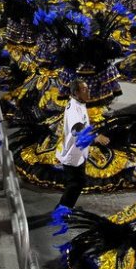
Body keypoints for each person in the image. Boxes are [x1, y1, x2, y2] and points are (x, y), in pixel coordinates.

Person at [56, 79, 108, 210]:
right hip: (71, 155)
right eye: (84, 89)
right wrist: (95, 136)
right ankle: (61, 212)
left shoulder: (80, 103)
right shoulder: (74, 108)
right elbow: (77, 129)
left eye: (87, 88)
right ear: (76, 93)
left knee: (78, 183)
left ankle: (65, 209)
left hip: (79, 153)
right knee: (75, 184)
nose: (88, 91)